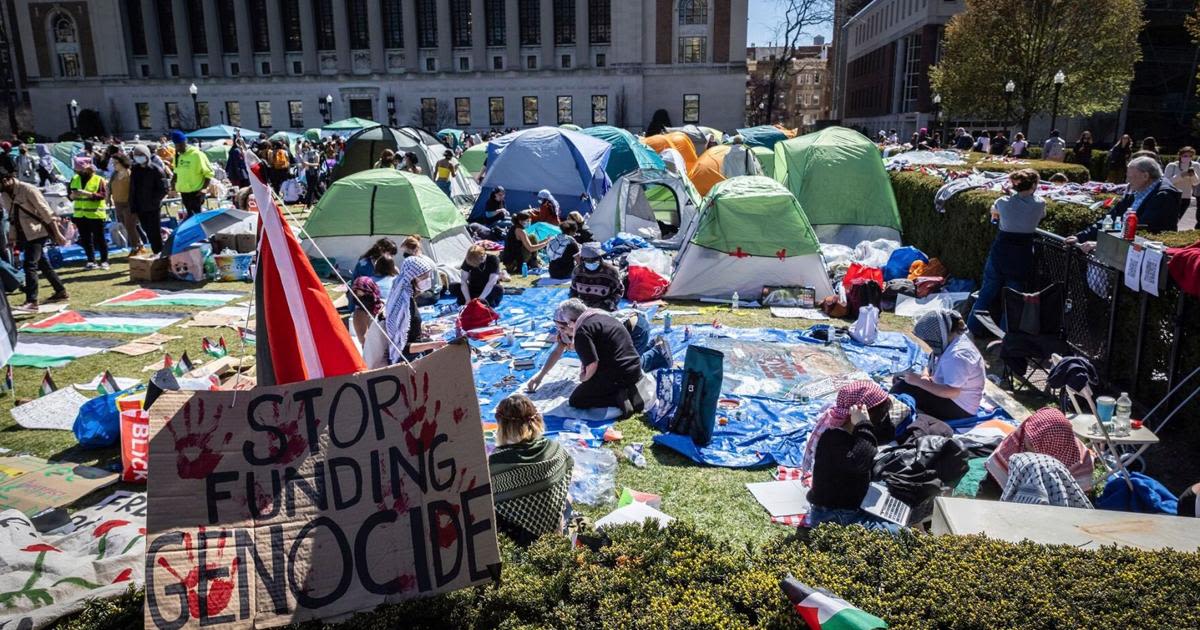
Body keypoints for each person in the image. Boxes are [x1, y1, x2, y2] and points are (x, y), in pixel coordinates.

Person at [804, 382, 901, 534]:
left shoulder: (853, 432)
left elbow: (887, 434)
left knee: (897, 497)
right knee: (898, 532)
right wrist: (864, 424)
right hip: (833, 516)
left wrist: (864, 425)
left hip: (851, 506)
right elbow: (860, 462)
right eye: (880, 416)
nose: (881, 421)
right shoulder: (833, 438)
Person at [528, 298, 644, 415]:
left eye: (563, 328)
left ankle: (618, 397)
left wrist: (584, 378)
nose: (562, 332)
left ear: (572, 323)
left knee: (577, 400)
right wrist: (540, 376)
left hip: (618, 375)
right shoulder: (601, 316)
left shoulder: (582, 331)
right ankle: (627, 389)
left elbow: (592, 364)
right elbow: (559, 350)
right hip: (635, 369)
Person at [488, 394, 574, 546]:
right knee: (568, 497)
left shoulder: (497, 462)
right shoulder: (554, 448)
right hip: (556, 525)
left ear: (503, 426)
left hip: (525, 540)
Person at [968, 169, 1046, 336]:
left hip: (1001, 251)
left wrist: (1010, 195)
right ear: (1033, 185)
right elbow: (1038, 211)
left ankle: (971, 328)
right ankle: (1005, 337)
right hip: (1022, 254)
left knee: (986, 292)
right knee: (1013, 299)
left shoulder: (1002, 202)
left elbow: (994, 211)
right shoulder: (1039, 204)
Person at [892, 310, 985, 421]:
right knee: (901, 379)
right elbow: (931, 361)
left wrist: (920, 382)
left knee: (902, 387)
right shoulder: (952, 341)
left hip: (960, 408)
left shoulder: (958, 355)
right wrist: (925, 376)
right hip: (949, 395)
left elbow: (952, 392)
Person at [981, 408, 1094, 498]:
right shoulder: (1016, 442)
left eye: (1032, 444)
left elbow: (1076, 499)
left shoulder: (1080, 460)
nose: (1025, 441)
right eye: (1027, 436)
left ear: (1051, 449)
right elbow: (990, 488)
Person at [1072, 156, 1181, 249]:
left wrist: (1102, 244)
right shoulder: (1138, 190)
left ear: (1145, 176)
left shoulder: (1163, 196)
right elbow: (1111, 218)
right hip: (1124, 249)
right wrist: (1081, 237)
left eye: (1130, 177)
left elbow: (1143, 231)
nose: (1127, 181)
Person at [1, 169, 68, 312]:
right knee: (42, 263)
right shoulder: (4, 194)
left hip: (38, 231)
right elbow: (12, 218)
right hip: (23, 233)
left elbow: (46, 212)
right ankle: (60, 291)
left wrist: (57, 234)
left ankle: (32, 301)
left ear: (8, 179)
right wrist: (12, 237)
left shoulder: (28, 189)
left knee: (30, 264)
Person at [383, 255, 447, 364]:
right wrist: (433, 345)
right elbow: (401, 348)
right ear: (411, 278)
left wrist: (423, 328)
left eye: (428, 276)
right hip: (409, 363)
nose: (427, 280)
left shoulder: (408, 297)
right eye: (423, 277)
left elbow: (408, 328)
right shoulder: (403, 305)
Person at [68, 156, 109, 270]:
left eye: (80, 170)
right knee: (86, 239)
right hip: (80, 215)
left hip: (95, 214)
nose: (78, 172)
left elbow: (102, 195)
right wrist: (72, 196)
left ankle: (104, 261)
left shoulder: (99, 179)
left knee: (100, 239)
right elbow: (69, 195)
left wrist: (88, 194)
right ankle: (91, 261)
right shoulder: (74, 178)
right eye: (76, 170)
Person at [128, 145, 167, 255]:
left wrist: (153, 201)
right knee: (147, 229)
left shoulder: (156, 170)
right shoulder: (135, 170)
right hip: (140, 206)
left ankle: (159, 252)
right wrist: (133, 206)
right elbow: (132, 189)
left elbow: (163, 189)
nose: (138, 157)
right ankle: (157, 251)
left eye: (141, 155)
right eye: (136, 155)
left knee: (155, 231)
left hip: (153, 207)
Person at [172, 131, 213, 218]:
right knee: (190, 216)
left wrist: (204, 189)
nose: (178, 148)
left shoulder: (197, 155)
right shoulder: (178, 156)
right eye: (176, 146)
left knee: (196, 217)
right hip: (184, 192)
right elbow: (176, 171)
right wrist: (173, 185)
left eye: (180, 145)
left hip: (196, 192)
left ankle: (199, 231)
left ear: (185, 142)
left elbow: (209, 173)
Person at [570, 244, 623, 311]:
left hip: (605, 309)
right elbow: (573, 290)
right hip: (583, 309)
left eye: (594, 260)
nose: (591, 263)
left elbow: (619, 291)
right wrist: (574, 304)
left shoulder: (611, 272)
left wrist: (609, 303)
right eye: (588, 260)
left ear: (600, 258)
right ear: (583, 259)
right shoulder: (577, 271)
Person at [108, 153, 142, 254]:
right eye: (112, 163)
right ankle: (139, 243)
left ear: (122, 162)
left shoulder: (130, 173)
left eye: (115, 163)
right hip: (118, 203)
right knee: (125, 225)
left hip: (129, 203)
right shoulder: (114, 174)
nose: (114, 165)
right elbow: (109, 186)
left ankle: (135, 247)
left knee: (130, 226)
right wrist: (108, 198)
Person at [1164, 147, 1199, 220]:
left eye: (1190, 156)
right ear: (1180, 155)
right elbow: (1166, 182)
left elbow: (1196, 183)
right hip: (1172, 196)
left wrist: (1193, 175)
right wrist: (1180, 175)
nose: (1188, 158)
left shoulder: (1195, 165)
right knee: (1171, 218)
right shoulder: (1172, 166)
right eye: (1185, 156)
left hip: (1186, 197)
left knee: (1178, 218)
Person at [300, 141, 322, 207]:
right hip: (308, 172)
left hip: (314, 172)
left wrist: (308, 164)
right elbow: (304, 164)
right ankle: (318, 200)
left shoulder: (316, 153)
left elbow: (317, 164)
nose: (306, 149)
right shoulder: (305, 154)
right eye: (305, 147)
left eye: (307, 147)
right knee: (311, 188)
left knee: (311, 188)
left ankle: (309, 204)